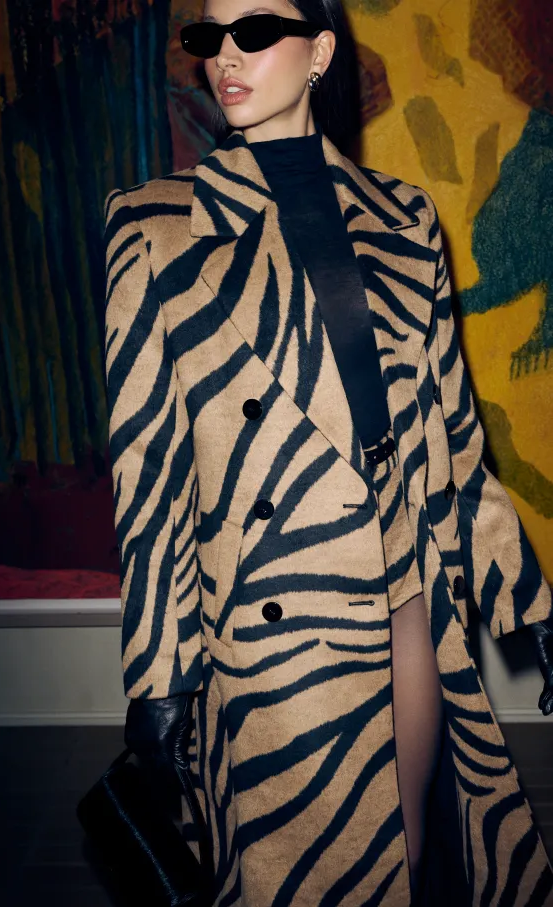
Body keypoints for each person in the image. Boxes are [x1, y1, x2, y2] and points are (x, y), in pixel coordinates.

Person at [103, 0, 553, 903]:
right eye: (209, 37)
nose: (226, 57)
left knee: (406, 860)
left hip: (403, 599)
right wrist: (158, 677)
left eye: (254, 32)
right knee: (293, 880)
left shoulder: (405, 217)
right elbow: (147, 475)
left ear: (319, 52)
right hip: (271, 625)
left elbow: (451, 433)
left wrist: (525, 598)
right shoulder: (153, 225)